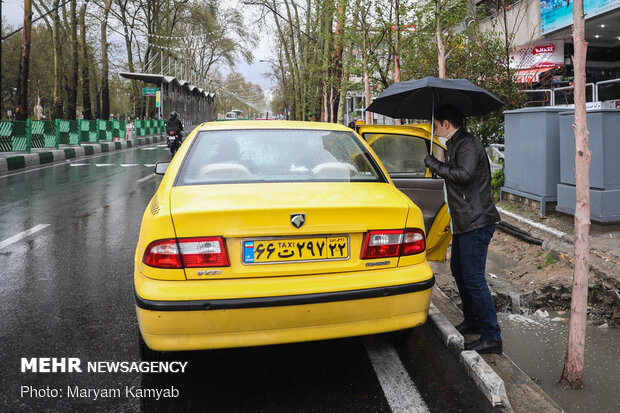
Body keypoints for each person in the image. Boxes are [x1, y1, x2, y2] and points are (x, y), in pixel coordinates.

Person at [424, 104, 503, 354]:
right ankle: (473, 320)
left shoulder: (467, 143)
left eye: (436, 126)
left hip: (476, 221)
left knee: (474, 278)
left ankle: (492, 337)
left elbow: (465, 174)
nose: (435, 131)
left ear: (446, 124)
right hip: (464, 222)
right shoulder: (456, 144)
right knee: (459, 271)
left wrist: (435, 165)